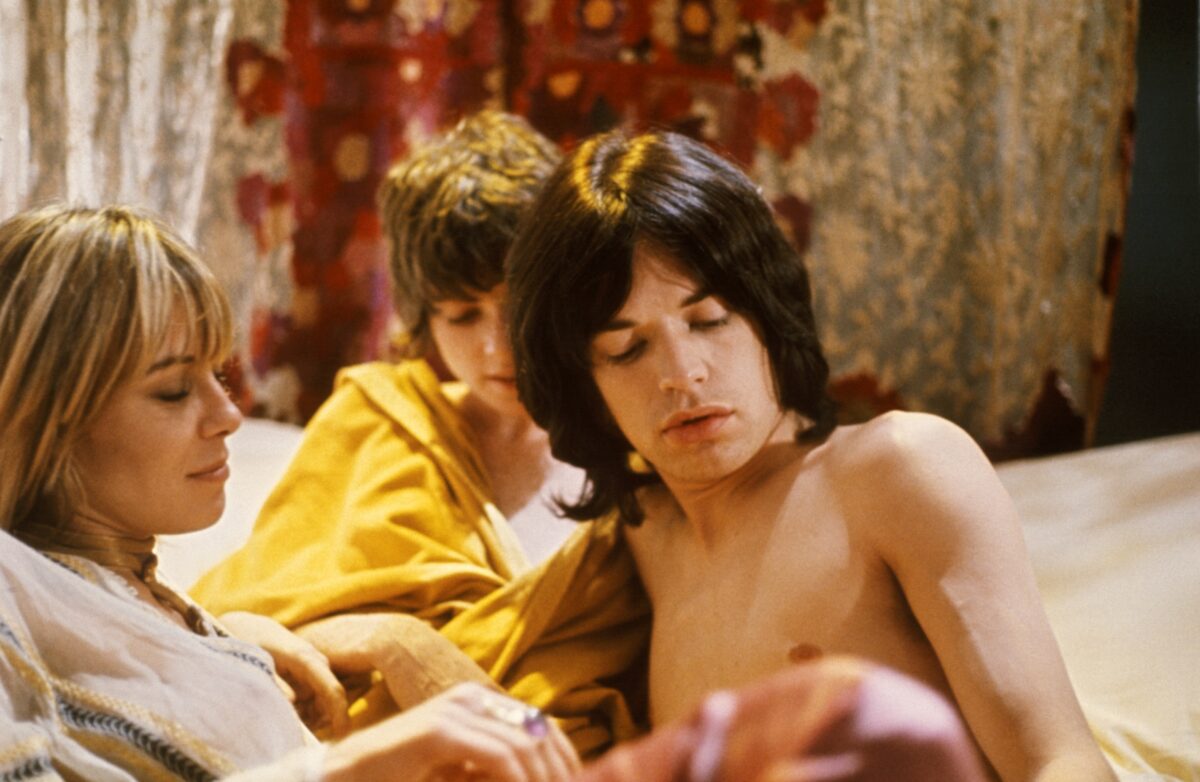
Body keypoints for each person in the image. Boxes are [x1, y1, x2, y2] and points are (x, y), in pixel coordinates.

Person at [503, 129, 1117, 781]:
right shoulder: (637, 544)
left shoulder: (897, 469)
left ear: (768, 315)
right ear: (587, 389)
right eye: (627, 349)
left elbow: (1060, 759)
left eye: (710, 319)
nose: (682, 374)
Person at [0, 203, 579, 781]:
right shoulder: (15, 588)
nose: (229, 415)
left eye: (218, 375)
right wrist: (352, 764)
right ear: (46, 419)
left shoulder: (178, 614)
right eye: (174, 390)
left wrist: (246, 642)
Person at [189, 110, 627, 740]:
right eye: (462, 316)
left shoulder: (636, 448)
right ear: (424, 319)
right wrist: (391, 639)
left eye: (517, 306)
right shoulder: (381, 421)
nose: (497, 347)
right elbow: (233, 626)